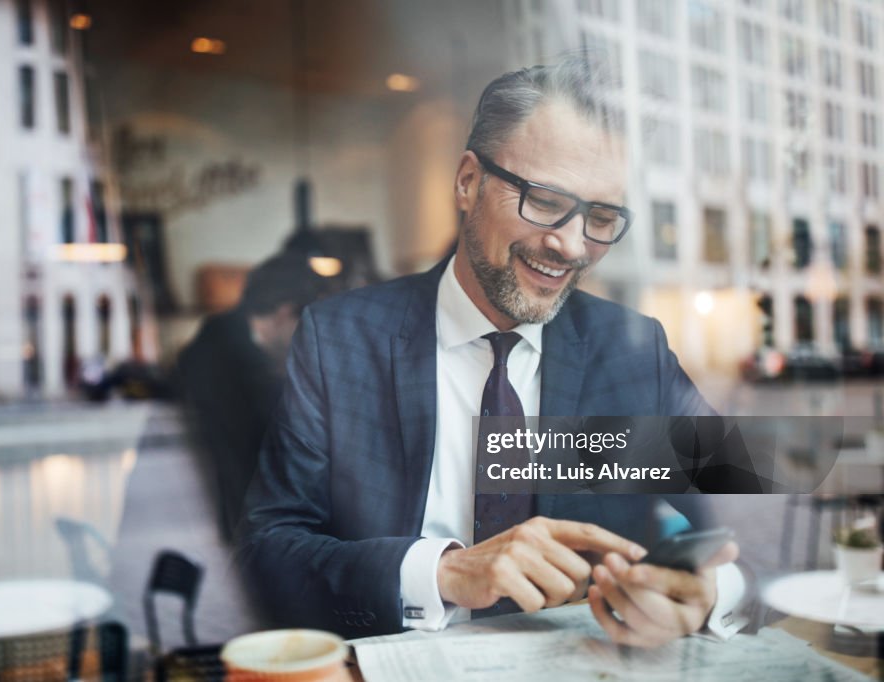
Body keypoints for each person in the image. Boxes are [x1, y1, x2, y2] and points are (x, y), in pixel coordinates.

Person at [239, 57, 745, 644]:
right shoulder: (340, 340)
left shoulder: (633, 350)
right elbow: (267, 549)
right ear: (467, 181)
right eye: (547, 201)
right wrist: (442, 572)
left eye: (602, 216)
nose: (572, 245)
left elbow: (731, 527)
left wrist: (705, 593)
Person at [178, 251, 325, 542]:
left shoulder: (215, 341)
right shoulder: (241, 368)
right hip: (226, 533)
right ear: (285, 313)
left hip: (206, 521)